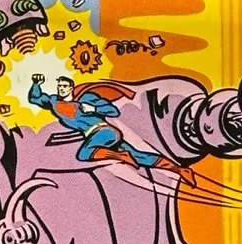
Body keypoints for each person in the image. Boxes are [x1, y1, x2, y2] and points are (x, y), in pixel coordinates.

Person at [28, 74, 196, 186]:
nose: (61, 89)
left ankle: (122, 156)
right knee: (140, 157)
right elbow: (35, 98)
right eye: (59, 86)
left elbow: (113, 111)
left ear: (71, 87)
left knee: (84, 153)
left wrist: (93, 108)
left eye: (64, 86)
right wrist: (36, 84)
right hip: (98, 137)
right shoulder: (55, 103)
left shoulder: (86, 98)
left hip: (105, 132)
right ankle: (181, 170)